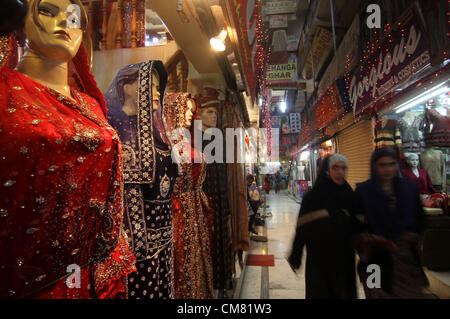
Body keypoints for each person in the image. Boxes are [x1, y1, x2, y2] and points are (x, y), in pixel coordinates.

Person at [0, 0, 136, 298]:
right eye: (48, 11)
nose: (64, 21)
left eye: (73, 17)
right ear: (20, 23)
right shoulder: (5, 92)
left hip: (85, 276)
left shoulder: (89, 104)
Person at [105, 61, 178, 299]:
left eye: (159, 88)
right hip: (133, 251)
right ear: (126, 87)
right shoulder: (111, 133)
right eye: (151, 85)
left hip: (163, 242)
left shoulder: (158, 134)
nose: (157, 93)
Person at [355, 148, 432, 299]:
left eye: (391, 164)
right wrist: (369, 238)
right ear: (374, 166)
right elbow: (355, 222)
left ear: (397, 165)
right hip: (373, 260)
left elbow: (420, 218)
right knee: (375, 294)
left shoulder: (408, 188)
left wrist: (412, 235)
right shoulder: (363, 191)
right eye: (382, 165)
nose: (387, 169)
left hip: (404, 259)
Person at [287, 154, 361, 299]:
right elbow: (302, 228)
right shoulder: (313, 198)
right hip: (319, 260)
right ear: (327, 170)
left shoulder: (350, 196)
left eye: (344, 168)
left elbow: (357, 226)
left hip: (344, 259)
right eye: (335, 168)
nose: (340, 172)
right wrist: (296, 253)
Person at [163, 92, 215, 299]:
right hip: (177, 215)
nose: (189, 115)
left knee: (197, 263)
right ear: (171, 110)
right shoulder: (166, 147)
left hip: (194, 214)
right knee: (181, 264)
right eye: (185, 109)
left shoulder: (187, 142)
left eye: (191, 111)